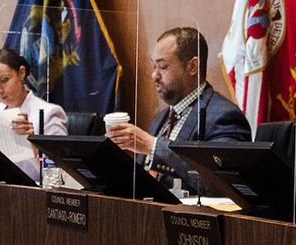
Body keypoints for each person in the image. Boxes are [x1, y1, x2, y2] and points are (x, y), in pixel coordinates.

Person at [107, 26, 251, 196]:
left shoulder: (224, 116)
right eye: (153, 66)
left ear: (192, 66)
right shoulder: (162, 117)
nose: (154, 75)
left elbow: (222, 186)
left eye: (163, 66)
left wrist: (152, 146)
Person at [0, 48, 67, 182]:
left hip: (33, 193)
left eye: (4, 80)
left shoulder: (49, 113)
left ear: (21, 73)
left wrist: (33, 146)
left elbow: (60, 175)